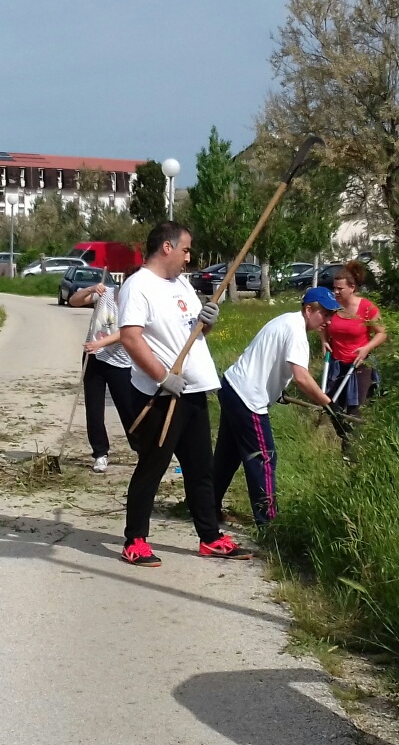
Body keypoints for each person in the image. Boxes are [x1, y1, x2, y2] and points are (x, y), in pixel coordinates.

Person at [116, 221, 252, 567]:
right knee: (152, 467)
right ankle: (135, 541)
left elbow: (196, 331)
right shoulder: (138, 286)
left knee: (200, 469)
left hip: (194, 392)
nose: (188, 258)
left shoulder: (182, 284)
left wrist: (209, 320)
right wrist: (162, 377)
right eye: (186, 250)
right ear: (167, 247)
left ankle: (210, 537)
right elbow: (130, 338)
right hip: (161, 396)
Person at [211, 287, 339, 527]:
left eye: (331, 314)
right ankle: (269, 523)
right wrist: (329, 404)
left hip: (232, 387)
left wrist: (278, 391)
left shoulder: (287, 320)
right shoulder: (296, 331)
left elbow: (271, 361)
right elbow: (301, 377)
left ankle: (206, 507)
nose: (329, 320)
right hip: (248, 398)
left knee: (228, 456)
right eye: (325, 313)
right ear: (308, 310)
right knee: (264, 458)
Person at [69, 279, 136, 473]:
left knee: (128, 407)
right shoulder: (106, 293)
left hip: (120, 360)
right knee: (94, 409)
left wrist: (100, 343)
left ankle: (141, 448)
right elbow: (74, 301)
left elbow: (127, 332)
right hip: (94, 357)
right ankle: (100, 453)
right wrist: (90, 289)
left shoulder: (136, 301)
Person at [323, 260, 386, 416]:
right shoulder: (332, 306)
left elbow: (382, 333)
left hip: (359, 364)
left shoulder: (367, 308)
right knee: (332, 407)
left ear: (352, 288)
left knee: (354, 410)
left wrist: (366, 348)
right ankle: (339, 431)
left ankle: (354, 431)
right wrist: (323, 340)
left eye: (340, 289)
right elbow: (322, 324)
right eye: (334, 288)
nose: (336, 292)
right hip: (337, 364)